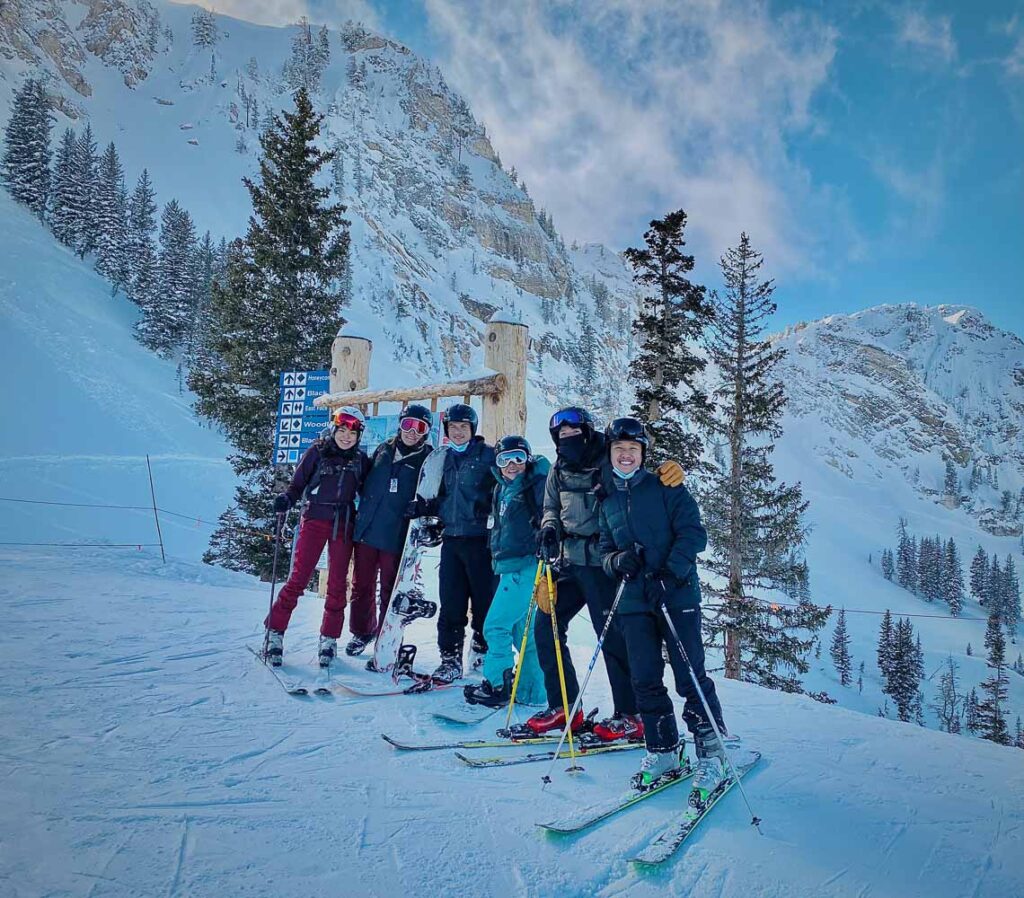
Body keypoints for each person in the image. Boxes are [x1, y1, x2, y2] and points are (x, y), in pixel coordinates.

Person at [527, 407, 686, 742]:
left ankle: (630, 714)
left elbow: (638, 475)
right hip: (568, 563)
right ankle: (564, 706)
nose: (569, 440)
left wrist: (670, 472)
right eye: (562, 436)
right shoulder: (559, 467)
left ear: (587, 432)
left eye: (575, 433)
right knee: (546, 627)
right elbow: (551, 507)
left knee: (612, 639)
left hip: (604, 565)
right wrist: (549, 529)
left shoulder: (609, 456)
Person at [597, 417, 728, 797]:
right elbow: (605, 549)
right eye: (619, 450)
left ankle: (712, 752)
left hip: (677, 596)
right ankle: (664, 749)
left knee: (689, 676)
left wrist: (670, 574)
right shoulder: (607, 498)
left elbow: (694, 533)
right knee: (645, 679)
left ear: (643, 454)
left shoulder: (666, 486)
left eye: (633, 450)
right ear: (610, 454)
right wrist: (617, 562)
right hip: (634, 601)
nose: (625, 456)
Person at [265, 407, 371, 668]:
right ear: (334, 429)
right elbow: (297, 485)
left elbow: (369, 492)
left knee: (337, 583)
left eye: (352, 433)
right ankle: (275, 632)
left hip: (343, 522)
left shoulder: (360, 460)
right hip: (314, 518)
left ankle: (329, 638)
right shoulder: (317, 452)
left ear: (359, 436)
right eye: (342, 431)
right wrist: (286, 499)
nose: (347, 437)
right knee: (299, 579)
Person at [408, 403, 496, 683]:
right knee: (451, 602)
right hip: (452, 541)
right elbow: (442, 495)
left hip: (481, 541)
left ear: (473, 429)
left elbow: (505, 488)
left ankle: (481, 650)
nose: (458, 432)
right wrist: (426, 509)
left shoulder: (488, 456)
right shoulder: (443, 457)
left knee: (484, 602)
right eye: (453, 427)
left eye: (463, 427)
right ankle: (449, 658)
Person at [463, 435, 549, 708]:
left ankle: (497, 686)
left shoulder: (534, 485)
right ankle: (533, 692)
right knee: (521, 630)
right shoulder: (504, 487)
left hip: (524, 566)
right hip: (510, 565)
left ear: (528, 459)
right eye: (504, 459)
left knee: (495, 626)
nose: (512, 465)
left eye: (518, 458)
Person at [348, 404, 434, 657]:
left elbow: (431, 494)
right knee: (361, 584)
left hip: (395, 534)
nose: (412, 431)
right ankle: (362, 631)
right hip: (367, 529)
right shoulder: (383, 449)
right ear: (400, 424)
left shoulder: (427, 459)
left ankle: (388, 636)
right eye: (408, 424)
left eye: (420, 427)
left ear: (426, 432)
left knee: (390, 588)